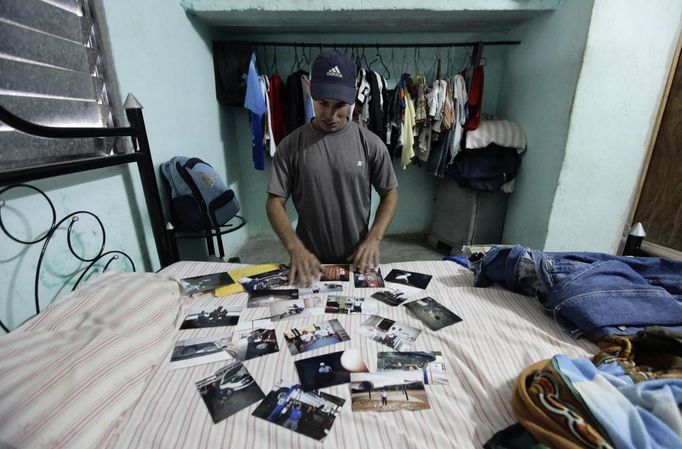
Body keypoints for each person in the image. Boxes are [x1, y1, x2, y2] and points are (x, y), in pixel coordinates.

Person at [267, 51, 399, 286]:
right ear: (310, 89)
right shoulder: (290, 146)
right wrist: (294, 247)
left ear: (353, 96)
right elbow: (274, 202)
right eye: (322, 103)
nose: (330, 115)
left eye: (340, 105)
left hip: (357, 261)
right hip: (308, 263)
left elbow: (390, 193)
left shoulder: (371, 144)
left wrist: (375, 238)